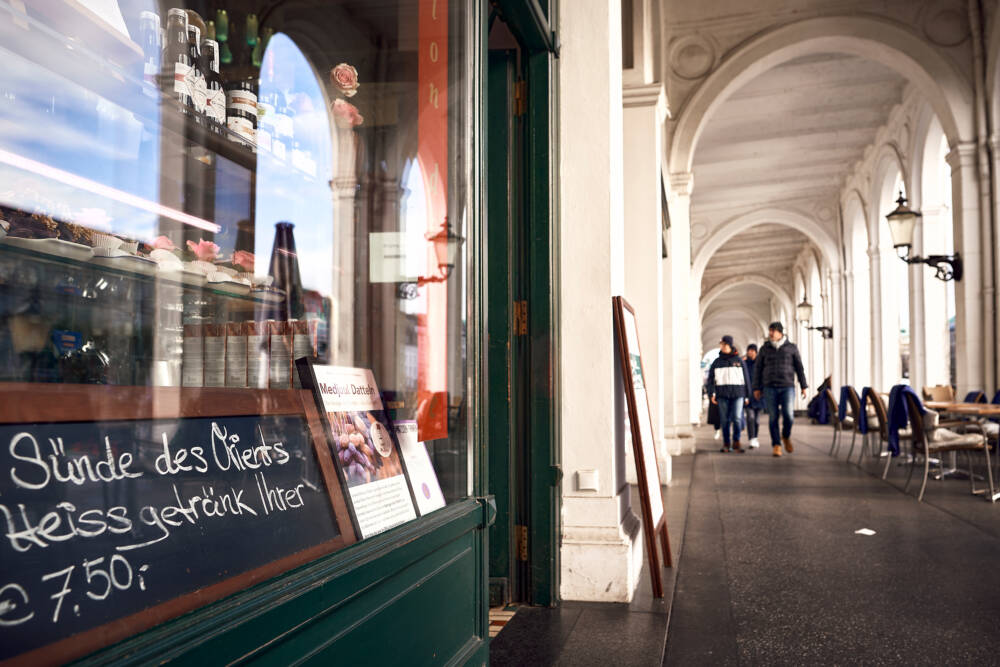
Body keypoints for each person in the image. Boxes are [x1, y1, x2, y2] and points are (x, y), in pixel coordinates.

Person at [752, 322, 808, 457]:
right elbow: (758, 369)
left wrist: (803, 386)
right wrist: (756, 388)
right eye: (770, 331)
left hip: (787, 386)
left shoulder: (791, 348)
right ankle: (776, 444)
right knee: (773, 418)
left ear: (780, 332)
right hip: (769, 387)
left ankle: (786, 436)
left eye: (773, 331)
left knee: (789, 415)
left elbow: (799, 367)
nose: (770, 334)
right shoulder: (765, 349)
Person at [706, 335, 751, 453]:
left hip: (738, 394)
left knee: (737, 418)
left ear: (730, 345)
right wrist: (711, 394)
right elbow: (710, 380)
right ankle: (726, 443)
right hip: (722, 395)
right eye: (721, 344)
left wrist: (747, 395)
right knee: (724, 420)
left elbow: (746, 379)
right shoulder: (717, 362)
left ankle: (736, 442)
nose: (722, 346)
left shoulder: (739, 361)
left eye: (725, 344)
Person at [743, 343, 763, 449]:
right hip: (748, 395)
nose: (749, 352)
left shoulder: (761, 364)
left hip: (759, 395)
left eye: (751, 350)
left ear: (755, 352)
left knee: (757, 420)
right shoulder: (744, 363)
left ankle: (755, 437)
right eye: (748, 350)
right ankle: (751, 438)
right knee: (750, 417)